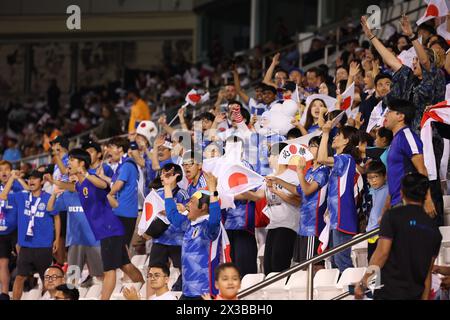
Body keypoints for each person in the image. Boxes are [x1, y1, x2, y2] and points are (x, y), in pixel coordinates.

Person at [67, 148, 144, 300]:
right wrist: (54, 182)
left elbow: (104, 185)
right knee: (125, 264)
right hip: (108, 229)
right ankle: (141, 283)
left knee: (109, 269)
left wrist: (86, 174)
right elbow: (72, 186)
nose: (68, 163)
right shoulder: (82, 184)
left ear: (81, 163)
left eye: (71, 160)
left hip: (110, 229)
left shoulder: (92, 179)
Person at [355, 173, 442, 300]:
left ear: (401, 192)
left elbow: (381, 254)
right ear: (425, 195)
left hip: (389, 293)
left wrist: (363, 283)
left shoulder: (391, 216)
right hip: (415, 295)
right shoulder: (434, 230)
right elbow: (427, 274)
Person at [0, 170, 61, 300]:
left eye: (35, 179)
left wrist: (56, 239)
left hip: (44, 245)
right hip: (26, 245)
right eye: (30, 179)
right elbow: (3, 196)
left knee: (47, 278)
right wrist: (13, 178)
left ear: (42, 182)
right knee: (20, 277)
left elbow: (57, 218)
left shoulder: (48, 197)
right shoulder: (22, 197)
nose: (31, 181)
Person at [162, 170, 222, 300]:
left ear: (203, 207)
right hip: (187, 291)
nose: (187, 204)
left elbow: (215, 217)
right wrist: (167, 187)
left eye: (192, 202)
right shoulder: (189, 224)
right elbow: (172, 215)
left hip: (204, 293)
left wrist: (213, 189)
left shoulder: (208, 228)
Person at [271, 137, 330, 265]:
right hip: (303, 225)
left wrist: (299, 172)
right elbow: (299, 190)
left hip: (313, 226)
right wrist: (278, 181)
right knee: (301, 266)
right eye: (309, 146)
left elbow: (307, 190)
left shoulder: (323, 171)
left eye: (313, 146)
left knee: (311, 267)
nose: (309, 149)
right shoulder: (310, 171)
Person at [245, 142, 301, 275]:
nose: (268, 159)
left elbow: (298, 201)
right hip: (273, 225)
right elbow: (257, 196)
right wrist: (238, 192)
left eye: (270, 155)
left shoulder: (293, 176)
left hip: (288, 225)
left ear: (278, 156)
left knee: (279, 264)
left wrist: (276, 190)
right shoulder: (270, 176)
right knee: (268, 266)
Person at [317, 122, 361, 272]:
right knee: (336, 262)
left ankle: (353, 293)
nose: (334, 137)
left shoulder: (346, 158)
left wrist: (325, 133)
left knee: (342, 261)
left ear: (346, 140)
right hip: (335, 216)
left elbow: (321, 158)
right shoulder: (341, 159)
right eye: (334, 135)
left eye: (338, 135)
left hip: (343, 215)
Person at [46, 174, 104, 287]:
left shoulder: (91, 191)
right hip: (75, 241)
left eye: (75, 175)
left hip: (94, 240)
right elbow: (50, 208)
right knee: (72, 279)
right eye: (70, 175)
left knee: (100, 275)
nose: (72, 177)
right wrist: (54, 193)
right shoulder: (67, 195)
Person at [383, 99, 436, 218]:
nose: (385, 114)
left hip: (407, 203)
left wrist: (427, 200)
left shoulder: (407, 136)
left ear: (401, 116)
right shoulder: (396, 140)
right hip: (397, 203)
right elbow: (393, 178)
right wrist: (386, 209)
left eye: (389, 111)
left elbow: (422, 170)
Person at [147, 163, 189, 292]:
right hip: (160, 239)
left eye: (167, 173)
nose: (163, 176)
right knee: (152, 272)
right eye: (162, 173)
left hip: (177, 239)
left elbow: (188, 215)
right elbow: (148, 213)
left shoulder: (183, 194)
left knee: (185, 270)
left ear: (176, 176)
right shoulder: (157, 193)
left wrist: (178, 209)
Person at [107, 137, 139, 249]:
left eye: (111, 147)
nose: (108, 151)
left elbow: (118, 185)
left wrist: (106, 195)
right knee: (118, 250)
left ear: (120, 149)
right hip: (120, 211)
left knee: (122, 249)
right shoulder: (122, 165)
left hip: (126, 212)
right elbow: (113, 183)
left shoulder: (127, 164)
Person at [365, 160, 389, 261]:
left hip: (380, 233)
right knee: (371, 262)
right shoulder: (372, 191)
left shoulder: (388, 190)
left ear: (385, 176)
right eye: (370, 178)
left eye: (376, 177)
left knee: (378, 263)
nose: (373, 180)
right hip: (371, 234)